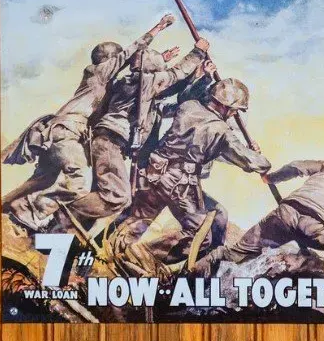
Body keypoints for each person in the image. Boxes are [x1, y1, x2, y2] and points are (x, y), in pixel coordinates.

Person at [1, 14, 176, 230]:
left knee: (42, 180)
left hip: (63, 133)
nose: (125, 63)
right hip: (69, 132)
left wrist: (158, 62)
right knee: (76, 184)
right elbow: (129, 54)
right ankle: (25, 210)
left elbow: (137, 84)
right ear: (110, 59)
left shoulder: (106, 84)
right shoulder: (98, 72)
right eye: (119, 59)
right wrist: (157, 28)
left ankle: (5, 205)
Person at [111, 78, 271, 262]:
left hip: (154, 172)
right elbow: (251, 162)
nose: (235, 113)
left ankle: (106, 256)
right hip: (179, 183)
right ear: (226, 106)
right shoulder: (221, 130)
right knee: (200, 236)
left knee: (136, 221)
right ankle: (140, 258)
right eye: (235, 109)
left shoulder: (188, 106)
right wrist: (257, 155)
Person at [61, 38, 211, 225]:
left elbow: (177, 99)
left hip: (109, 145)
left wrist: (201, 77)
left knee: (100, 196)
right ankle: (60, 217)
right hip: (109, 143)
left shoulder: (139, 90)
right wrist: (197, 52)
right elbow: (175, 75)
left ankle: (65, 235)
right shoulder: (138, 82)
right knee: (118, 197)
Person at [192, 160, 324, 276]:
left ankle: (196, 269)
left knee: (237, 252)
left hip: (284, 214)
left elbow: (296, 167)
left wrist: (271, 178)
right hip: (315, 230)